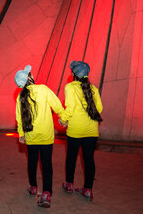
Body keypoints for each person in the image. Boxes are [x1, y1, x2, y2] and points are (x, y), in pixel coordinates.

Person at [15, 65, 64, 208]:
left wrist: (21, 134)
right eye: (30, 74)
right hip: (46, 136)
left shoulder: (20, 97)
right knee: (46, 163)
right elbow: (57, 105)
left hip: (31, 137)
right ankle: (47, 193)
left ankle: (33, 187)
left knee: (32, 162)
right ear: (29, 78)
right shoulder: (43, 89)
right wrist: (63, 117)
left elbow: (19, 119)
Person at [59, 61, 103, 201]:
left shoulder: (70, 87)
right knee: (89, 159)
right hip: (91, 131)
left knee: (71, 157)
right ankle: (88, 190)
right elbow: (99, 109)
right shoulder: (94, 89)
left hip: (75, 131)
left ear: (73, 73)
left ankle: (69, 184)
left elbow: (70, 108)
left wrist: (62, 119)